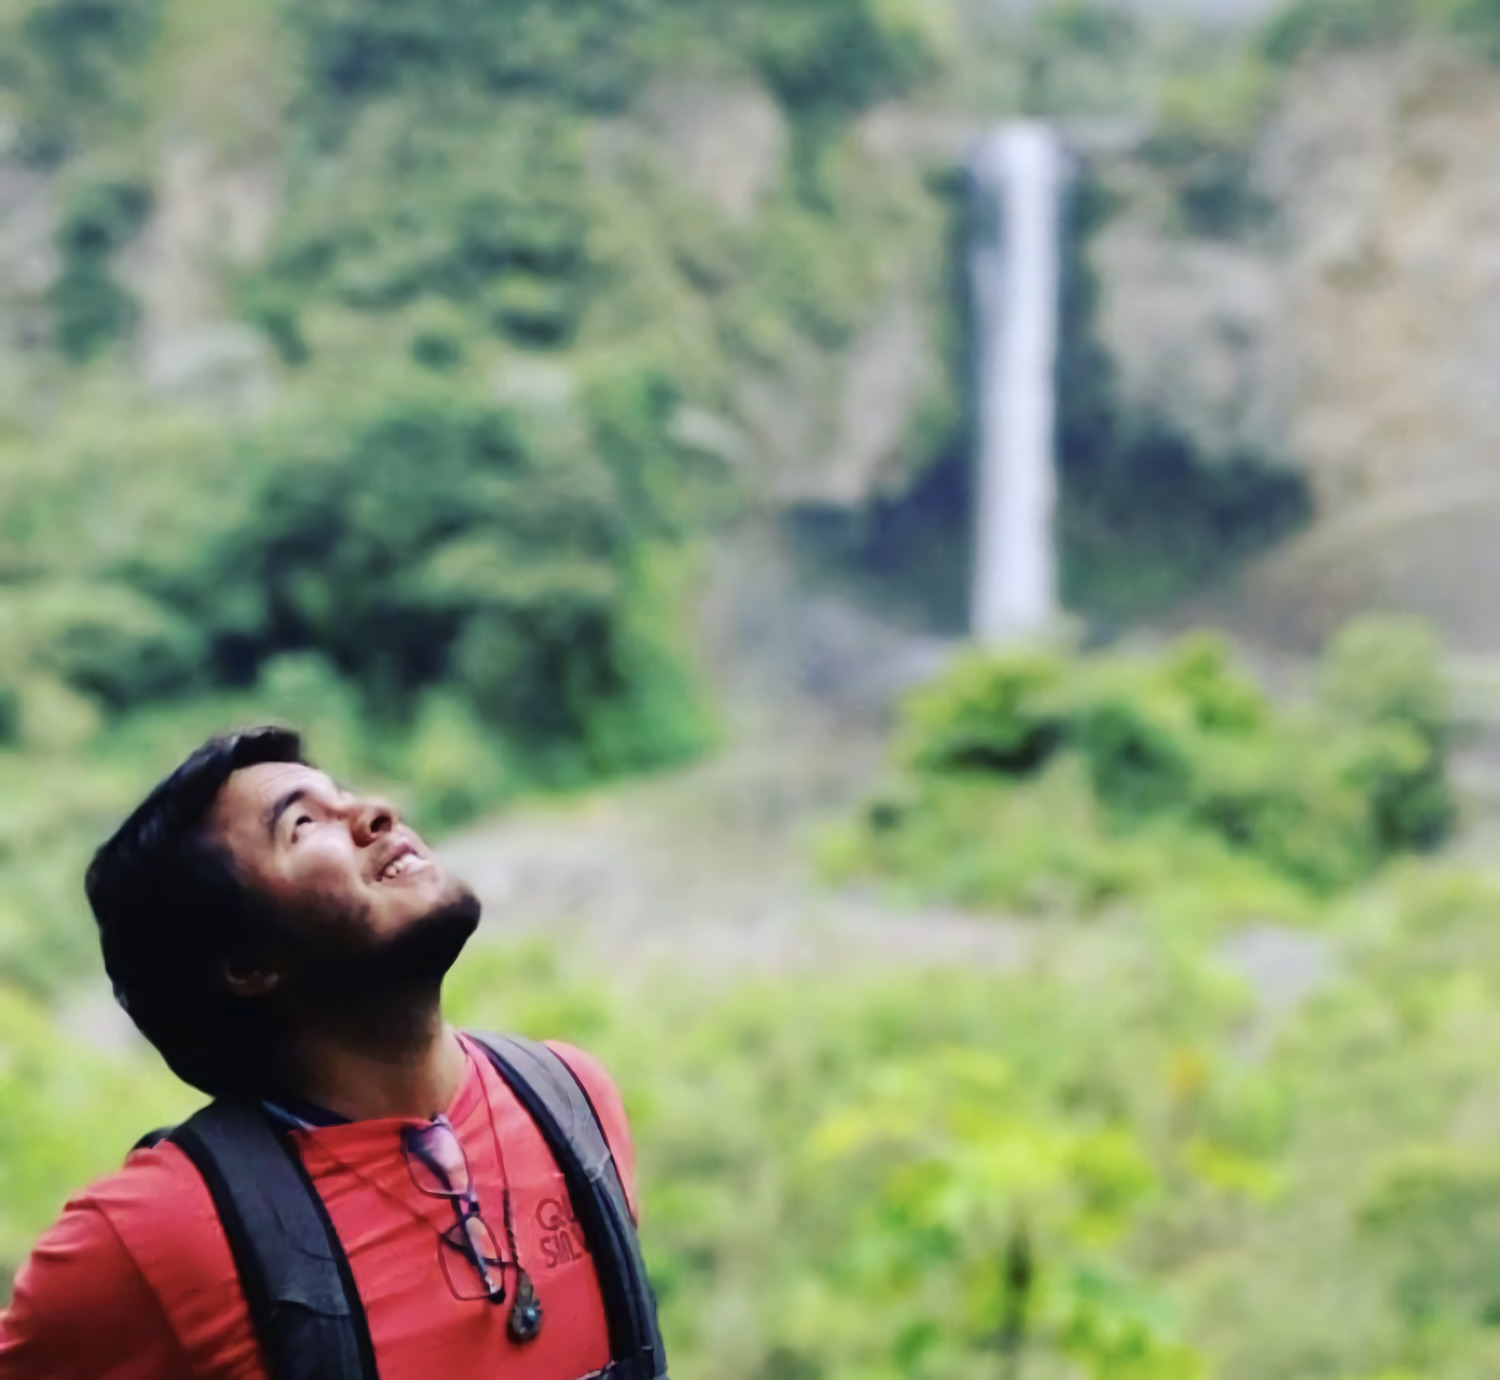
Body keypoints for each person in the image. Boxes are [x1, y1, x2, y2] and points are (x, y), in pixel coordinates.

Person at [0, 726, 659, 1379]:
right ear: (248, 963)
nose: (376, 812)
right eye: (304, 823)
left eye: (342, 794)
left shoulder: (569, 1101)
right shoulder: (153, 1240)